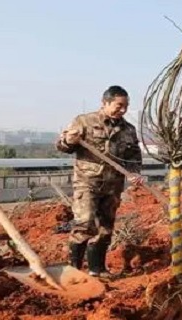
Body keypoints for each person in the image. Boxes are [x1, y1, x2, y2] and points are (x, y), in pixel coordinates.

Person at [55, 85, 144, 280]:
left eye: (126, 106)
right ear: (105, 103)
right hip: (87, 182)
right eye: (119, 105)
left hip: (113, 186)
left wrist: (135, 173)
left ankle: (97, 270)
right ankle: (74, 271)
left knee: (105, 228)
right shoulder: (84, 121)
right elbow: (62, 146)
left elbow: (134, 157)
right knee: (85, 223)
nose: (123, 110)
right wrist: (69, 140)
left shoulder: (128, 129)